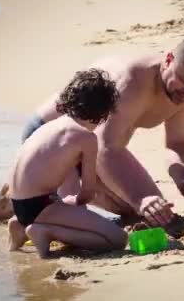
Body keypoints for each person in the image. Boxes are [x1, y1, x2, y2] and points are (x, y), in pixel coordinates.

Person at [2, 35, 184, 229]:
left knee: (137, 210)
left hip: (89, 147)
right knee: (148, 211)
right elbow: (106, 147)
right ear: (169, 60)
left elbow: (178, 142)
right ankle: (23, 197)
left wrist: (182, 178)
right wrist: (143, 198)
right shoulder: (134, 79)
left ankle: (18, 196)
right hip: (48, 139)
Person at [7, 68, 127, 258]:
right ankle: (46, 231)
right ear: (104, 111)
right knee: (118, 239)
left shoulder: (50, 126)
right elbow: (88, 191)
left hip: (18, 201)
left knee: (63, 210)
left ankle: (20, 224)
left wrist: (65, 205)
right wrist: (77, 202)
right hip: (39, 205)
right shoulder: (86, 138)